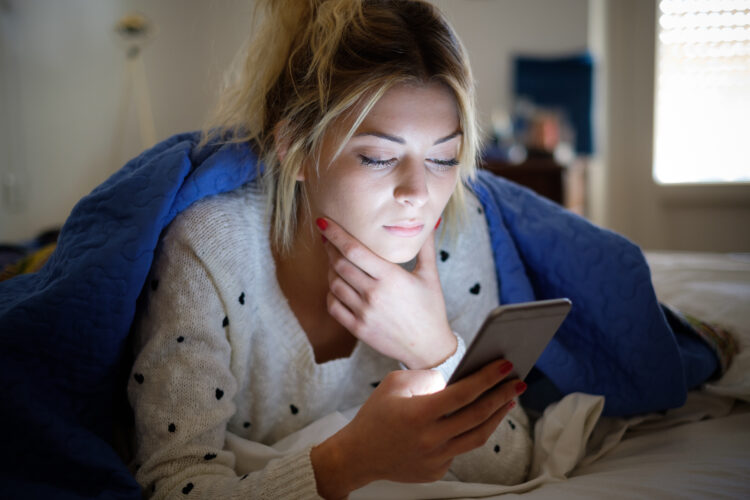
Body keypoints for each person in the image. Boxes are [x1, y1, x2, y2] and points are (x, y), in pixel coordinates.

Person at [127, 0, 533, 497]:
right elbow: (174, 483)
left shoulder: (455, 229)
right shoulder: (213, 247)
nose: (419, 194)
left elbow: (510, 465)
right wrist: (350, 460)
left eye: (443, 158)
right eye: (380, 158)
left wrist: (435, 351)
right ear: (295, 149)